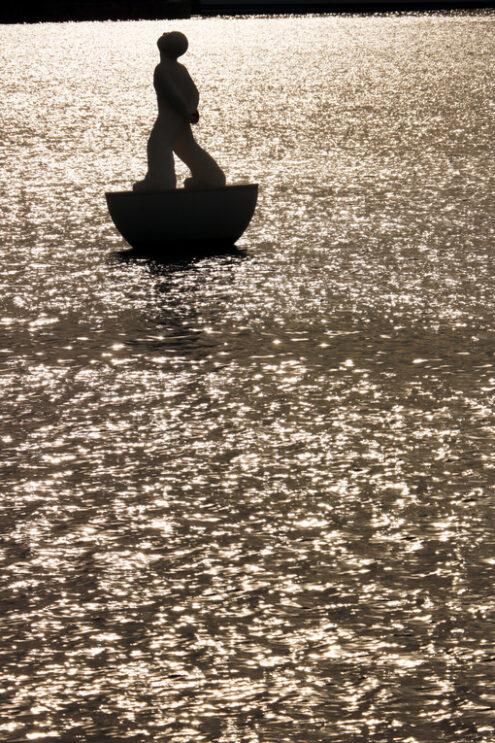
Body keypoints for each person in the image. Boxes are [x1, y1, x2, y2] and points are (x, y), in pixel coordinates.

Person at [133, 32, 226, 192]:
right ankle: (211, 177)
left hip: (170, 118)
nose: (164, 33)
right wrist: (190, 111)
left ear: (165, 45)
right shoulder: (181, 69)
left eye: (167, 34)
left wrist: (186, 112)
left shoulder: (162, 70)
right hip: (182, 117)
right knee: (187, 147)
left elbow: (172, 94)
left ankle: (161, 181)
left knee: (158, 145)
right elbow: (194, 93)